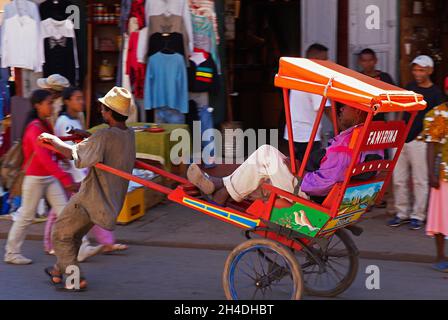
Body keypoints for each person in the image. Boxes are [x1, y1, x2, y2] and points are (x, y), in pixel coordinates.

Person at [188, 105, 381, 205]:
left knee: (266, 154)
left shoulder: (348, 145)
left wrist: (300, 175)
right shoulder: (368, 138)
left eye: (345, 107)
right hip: (322, 190)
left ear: (357, 112)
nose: (340, 109)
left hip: (309, 194)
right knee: (265, 169)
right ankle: (222, 186)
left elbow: (324, 183)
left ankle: (222, 189)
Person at [41, 87, 135, 291]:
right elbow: (103, 147)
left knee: (60, 235)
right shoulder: (129, 134)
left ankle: (75, 280)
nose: (101, 111)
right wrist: (87, 137)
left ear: (108, 111)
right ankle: (59, 270)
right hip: (109, 202)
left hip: (90, 199)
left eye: (103, 108)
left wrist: (54, 140)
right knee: (72, 234)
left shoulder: (104, 136)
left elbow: (75, 156)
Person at [3, 90, 75, 265]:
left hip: (48, 177)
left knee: (65, 212)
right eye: (49, 103)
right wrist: (65, 178)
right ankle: (11, 253)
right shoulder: (35, 128)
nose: (52, 106)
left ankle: (80, 248)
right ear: (38, 105)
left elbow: (53, 149)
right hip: (35, 178)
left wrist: (63, 158)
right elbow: (43, 158)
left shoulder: (44, 124)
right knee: (26, 217)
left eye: (52, 102)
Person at [389, 55, 444, 230]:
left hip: (421, 142)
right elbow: (402, 111)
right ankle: (401, 213)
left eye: (421, 70)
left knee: (420, 180)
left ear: (430, 71)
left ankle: (418, 215)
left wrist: (426, 137)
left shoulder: (436, 94)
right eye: (415, 69)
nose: (417, 73)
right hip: (402, 140)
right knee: (399, 179)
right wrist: (398, 131)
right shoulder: (410, 88)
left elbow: (438, 121)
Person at [284, 43, 332, 161]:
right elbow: (325, 108)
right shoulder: (314, 80)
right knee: (310, 170)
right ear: (314, 60)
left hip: (294, 133)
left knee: (297, 168)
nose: (327, 62)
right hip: (307, 136)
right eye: (324, 59)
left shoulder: (300, 77)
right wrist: (342, 128)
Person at [422, 102, 448, 272]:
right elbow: (431, 144)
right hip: (445, 175)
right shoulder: (439, 113)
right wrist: (431, 173)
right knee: (440, 219)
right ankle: (440, 256)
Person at [358, 48, 395, 121]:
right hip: (360, 121)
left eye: (370, 60)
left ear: (375, 60)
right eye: (364, 61)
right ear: (360, 62)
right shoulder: (358, 78)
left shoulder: (385, 77)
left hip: (379, 120)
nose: (368, 63)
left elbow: (395, 98)